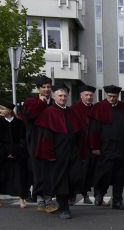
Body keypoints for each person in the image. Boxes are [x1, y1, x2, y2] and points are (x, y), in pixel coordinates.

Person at [34, 83, 87, 219]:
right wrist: (49, 154)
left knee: (75, 177)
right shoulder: (48, 112)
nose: (63, 98)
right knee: (62, 181)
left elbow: (79, 132)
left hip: (73, 152)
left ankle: (65, 201)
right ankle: (64, 208)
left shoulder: (71, 112)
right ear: (54, 96)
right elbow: (45, 137)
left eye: (65, 96)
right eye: (60, 95)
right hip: (57, 154)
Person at [90, 84, 124, 209]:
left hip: (122, 148)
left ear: (118, 96)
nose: (112, 99)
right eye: (110, 96)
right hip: (105, 148)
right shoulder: (98, 108)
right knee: (104, 174)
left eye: (115, 96)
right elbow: (94, 130)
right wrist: (95, 147)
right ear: (106, 95)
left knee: (120, 175)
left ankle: (118, 201)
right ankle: (99, 195)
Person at [20, 76, 56, 212]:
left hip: (51, 141)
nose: (47, 89)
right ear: (38, 89)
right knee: (38, 170)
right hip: (35, 140)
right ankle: (41, 199)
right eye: (44, 87)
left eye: (48, 87)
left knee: (50, 171)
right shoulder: (31, 101)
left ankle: (49, 198)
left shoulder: (53, 102)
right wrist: (41, 103)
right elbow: (28, 116)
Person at [0, 101, 29, 207]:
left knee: (19, 176)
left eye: (2, 109)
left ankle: (22, 199)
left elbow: (22, 140)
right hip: (2, 156)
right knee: (0, 176)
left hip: (17, 155)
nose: (0, 111)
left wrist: (14, 152)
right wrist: (5, 153)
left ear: (10, 110)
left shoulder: (20, 123)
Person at [69, 83, 97, 205]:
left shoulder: (96, 109)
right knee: (75, 172)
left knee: (90, 172)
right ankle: (72, 195)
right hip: (77, 145)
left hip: (92, 146)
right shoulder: (73, 109)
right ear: (81, 96)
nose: (89, 97)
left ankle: (86, 195)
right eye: (86, 95)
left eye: (91, 95)